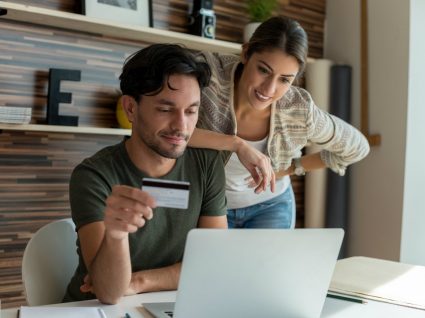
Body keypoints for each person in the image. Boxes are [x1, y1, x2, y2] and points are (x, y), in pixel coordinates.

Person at [63, 44, 228, 304]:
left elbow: (214, 264)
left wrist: (140, 281)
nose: (181, 126)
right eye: (165, 110)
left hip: (173, 304)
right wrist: (116, 235)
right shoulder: (94, 175)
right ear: (130, 108)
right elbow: (109, 292)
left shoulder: (207, 163)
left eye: (191, 111)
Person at [188, 16, 370, 229]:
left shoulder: (298, 109)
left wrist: (294, 167)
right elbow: (164, 129)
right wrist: (236, 143)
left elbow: (358, 146)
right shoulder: (208, 78)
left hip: (271, 206)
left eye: (285, 79)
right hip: (209, 206)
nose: (268, 89)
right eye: (263, 70)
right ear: (246, 53)